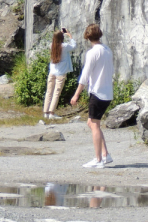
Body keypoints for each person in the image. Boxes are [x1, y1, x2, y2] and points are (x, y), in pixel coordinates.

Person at [70, 24, 114, 169]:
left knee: (94, 125)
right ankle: (105, 154)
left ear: (87, 37)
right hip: (107, 92)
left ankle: (98, 159)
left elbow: (85, 76)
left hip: (98, 92)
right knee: (92, 123)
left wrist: (76, 95)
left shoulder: (92, 53)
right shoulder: (108, 50)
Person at [42, 29, 76, 120]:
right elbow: (74, 46)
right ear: (62, 37)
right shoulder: (64, 46)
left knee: (49, 92)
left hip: (52, 72)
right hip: (61, 73)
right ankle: (52, 113)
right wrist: (70, 35)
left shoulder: (51, 45)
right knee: (56, 93)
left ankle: (46, 112)